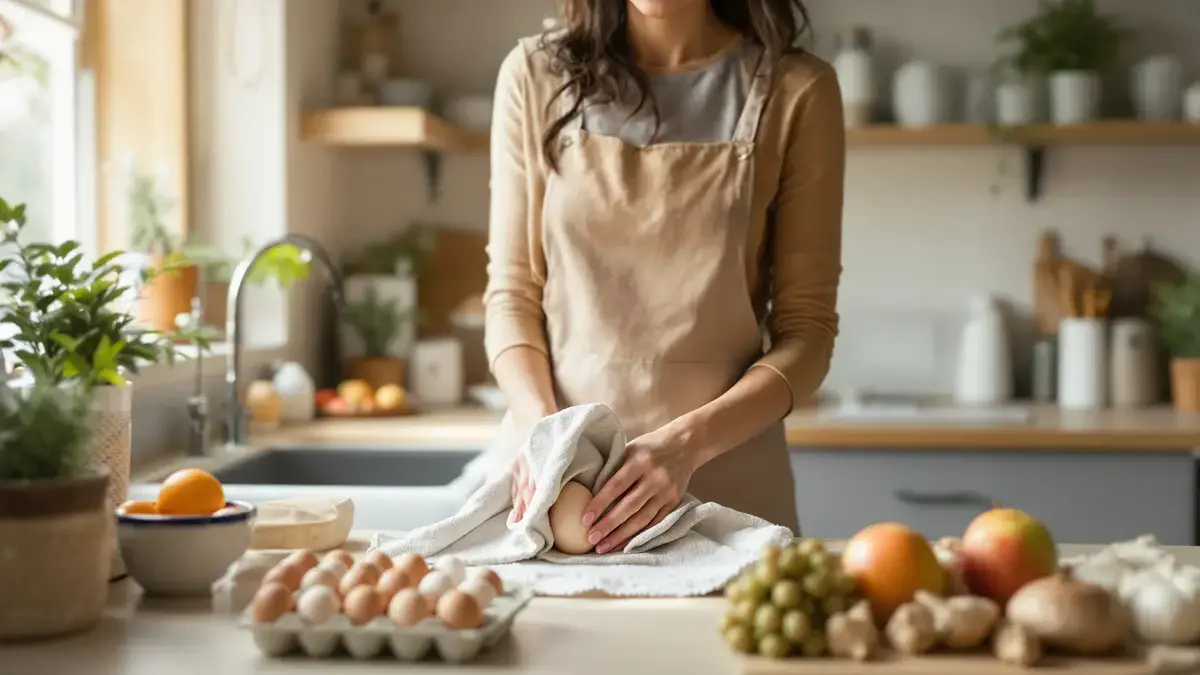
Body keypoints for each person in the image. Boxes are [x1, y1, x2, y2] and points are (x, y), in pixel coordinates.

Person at [484, 0, 843, 554]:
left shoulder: (798, 90)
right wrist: (550, 443)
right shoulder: (534, 76)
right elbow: (511, 296)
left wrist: (686, 445)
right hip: (552, 490)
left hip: (726, 491)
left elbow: (808, 331)